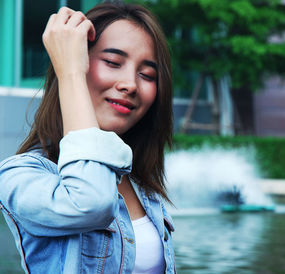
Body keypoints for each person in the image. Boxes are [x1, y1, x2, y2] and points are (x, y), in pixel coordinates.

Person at [0, 2, 175, 273]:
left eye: (147, 74)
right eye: (112, 62)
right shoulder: (20, 176)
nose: (130, 83)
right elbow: (91, 204)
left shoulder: (141, 183)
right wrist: (70, 74)